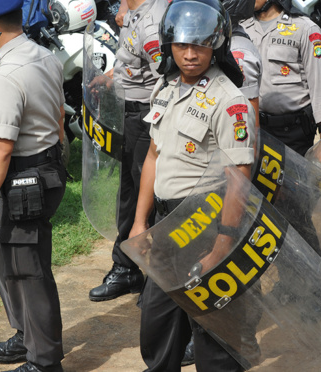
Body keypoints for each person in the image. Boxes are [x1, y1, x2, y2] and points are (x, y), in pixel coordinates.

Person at [128, 0, 255, 370]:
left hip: (206, 224)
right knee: (156, 328)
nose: (189, 54)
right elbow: (153, 156)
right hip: (168, 228)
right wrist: (140, 222)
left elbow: (239, 178)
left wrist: (222, 246)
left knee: (215, 338)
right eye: (181, 45)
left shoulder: (229, 101)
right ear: (169, 45)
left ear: (215, 44)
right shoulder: (165, 89)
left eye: (199, 45)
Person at [0, 0, 67, 371]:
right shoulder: (45, 56)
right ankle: (27, 335)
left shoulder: (2, 78)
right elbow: (57, 116)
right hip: (46, 168)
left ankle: (44, 361)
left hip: (23, 178)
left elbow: (1, 149)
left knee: (29, 271)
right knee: (2, 256)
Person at [88, 0, 168, 302]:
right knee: (129, 192)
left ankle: (160, 279)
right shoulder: (134, 14)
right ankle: (127, 268)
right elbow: (132, 63)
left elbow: (167, 76)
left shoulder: (151, 23)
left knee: (152, 196)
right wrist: (110, 78)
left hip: (147, 117)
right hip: (129, 114)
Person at [240, 0, 321, 156]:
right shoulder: (242, 28)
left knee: (293, 180)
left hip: (293, 134)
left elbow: (319, 85)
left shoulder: (305, 29)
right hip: (253, 127)